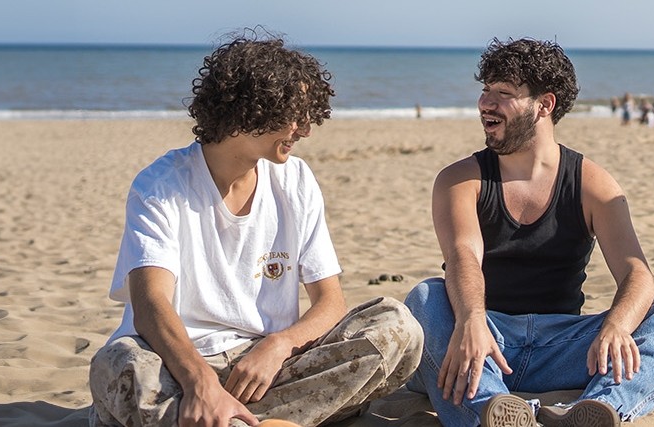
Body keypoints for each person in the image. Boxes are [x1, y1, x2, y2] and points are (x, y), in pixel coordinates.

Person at [88, 32, 424, 427]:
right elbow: (149, 307)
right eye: (294, 115)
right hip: (175, 365)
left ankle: (228, 420)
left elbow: (330, 302)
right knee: (117, 364)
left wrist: (279, 345)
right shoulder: (160, 185)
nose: (305, 129)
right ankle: (251, 417)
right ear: (249, 110)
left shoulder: (296, 180)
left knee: (397, 325)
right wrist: (200, 383)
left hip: (268, 370)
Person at [405, 37, 654, 427]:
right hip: (482, 342)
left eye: (503, 93)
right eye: (485, 91)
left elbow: (637, 273)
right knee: (426, 297)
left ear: (545, 104)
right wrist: (471, 318)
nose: (485, 104)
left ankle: (598, 411)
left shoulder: (592, 183)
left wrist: (617, 325)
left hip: (568, 349)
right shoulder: (461, 180)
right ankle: (492, 414)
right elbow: (463, 255)